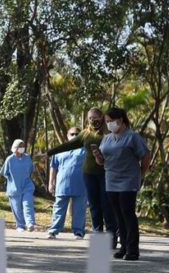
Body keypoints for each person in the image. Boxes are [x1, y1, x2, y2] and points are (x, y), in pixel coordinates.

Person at [93, 108, 150, 260]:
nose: (110, 124)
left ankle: (132, 249)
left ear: (121, 119)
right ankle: (123, 246)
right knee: (118, 214)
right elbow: (102, 161)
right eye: (107, 122)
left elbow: (145, 156)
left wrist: (141, 173)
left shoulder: (132, 137)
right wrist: (98, 157)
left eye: (112, 121)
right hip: (111, 179)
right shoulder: (107, 138)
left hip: (128, 180)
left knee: (127, 213)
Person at [80, 109, 118, 244]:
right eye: (90, 118)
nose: (93, 120)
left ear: (102, 118)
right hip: (89, 175)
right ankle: (97, 234)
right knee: (94, 205)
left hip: (106, 174)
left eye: (95, 118)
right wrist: (49, 153)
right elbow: (69, 145)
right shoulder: (86, 133)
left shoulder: (109, 133)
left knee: (107, 205)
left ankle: (112, 235)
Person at [48, 127, 88, 239]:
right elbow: (53, 167)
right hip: (62, 185)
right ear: (67, 135)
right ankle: (53, 231)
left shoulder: (86, 149)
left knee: (79, 210)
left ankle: (78, 232)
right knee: (58, 209)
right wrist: (51, 183)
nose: (74, 136)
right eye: (72, 134)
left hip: (81, 185)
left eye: (77, 134)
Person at [0, 139, 36, 232]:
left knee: (27, 204)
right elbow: (4, 172)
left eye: (23, 146)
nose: (22, 148)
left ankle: (30, 223)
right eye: (20, 146)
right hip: (14, 188)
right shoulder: (10, 159)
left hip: (27, 186)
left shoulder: (27, 158)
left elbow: (31, 170)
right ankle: (20, 225)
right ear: (15, 148)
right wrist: (13, 180)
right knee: (17, 208)